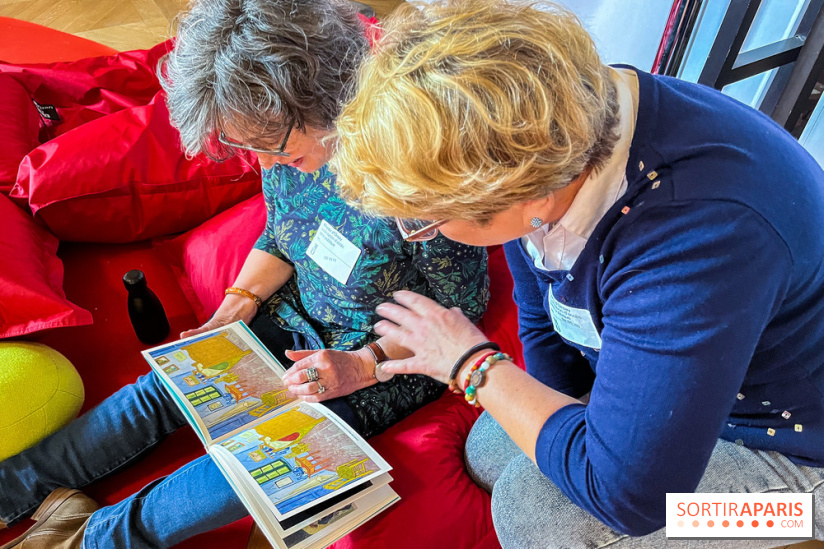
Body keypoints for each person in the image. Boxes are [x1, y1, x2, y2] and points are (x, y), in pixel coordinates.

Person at [331, 0, 824, 547]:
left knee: (537, 515)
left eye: (429, 220)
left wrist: (473, 365)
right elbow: (545, 322)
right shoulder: (554, 140)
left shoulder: (695, 237)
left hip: (801, 458)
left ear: (516, 192)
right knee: (491, 450)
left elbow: (630, 499)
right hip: (713, 381)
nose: (425, 230)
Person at [0, 1, 488, 548]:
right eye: (242, 143)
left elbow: (460, 315)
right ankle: (8, 491)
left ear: (328, 100)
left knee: (256, 462)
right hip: (292, 312)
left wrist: (363, 364)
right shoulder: (282, 149)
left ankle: (87, 541)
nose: (262, 158)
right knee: (160, 391)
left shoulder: (415, 182)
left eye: (270, 143)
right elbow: (281, 235)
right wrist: (236, 305)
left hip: (380, 355)